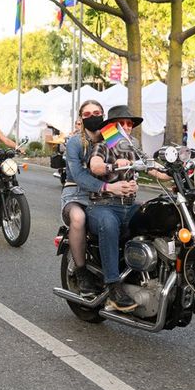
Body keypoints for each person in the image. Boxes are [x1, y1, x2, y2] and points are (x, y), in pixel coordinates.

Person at [85, 105, 146, 312]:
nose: (128, 127)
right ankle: (113, 286)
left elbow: (153, 167)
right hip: (103, 206)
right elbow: (95, 166)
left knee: (156, 216)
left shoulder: (133, 149)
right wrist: (114, 166)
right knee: (108, 224)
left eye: (130, 124)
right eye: (123, 124)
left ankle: (143, 271)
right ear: (112, 127)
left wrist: (178, 170)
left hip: (129, 206)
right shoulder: (102, 146)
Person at [61, 100, 108, 296]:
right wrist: (107, 186)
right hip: (76, 194)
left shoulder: (111, 139)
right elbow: (78, 175)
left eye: (96, 112)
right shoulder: (75, 142)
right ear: (81, 118)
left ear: (103, 114)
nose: (92, 117)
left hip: (105, 196)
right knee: (78, 218)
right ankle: (81, 271)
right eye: (87, 114)